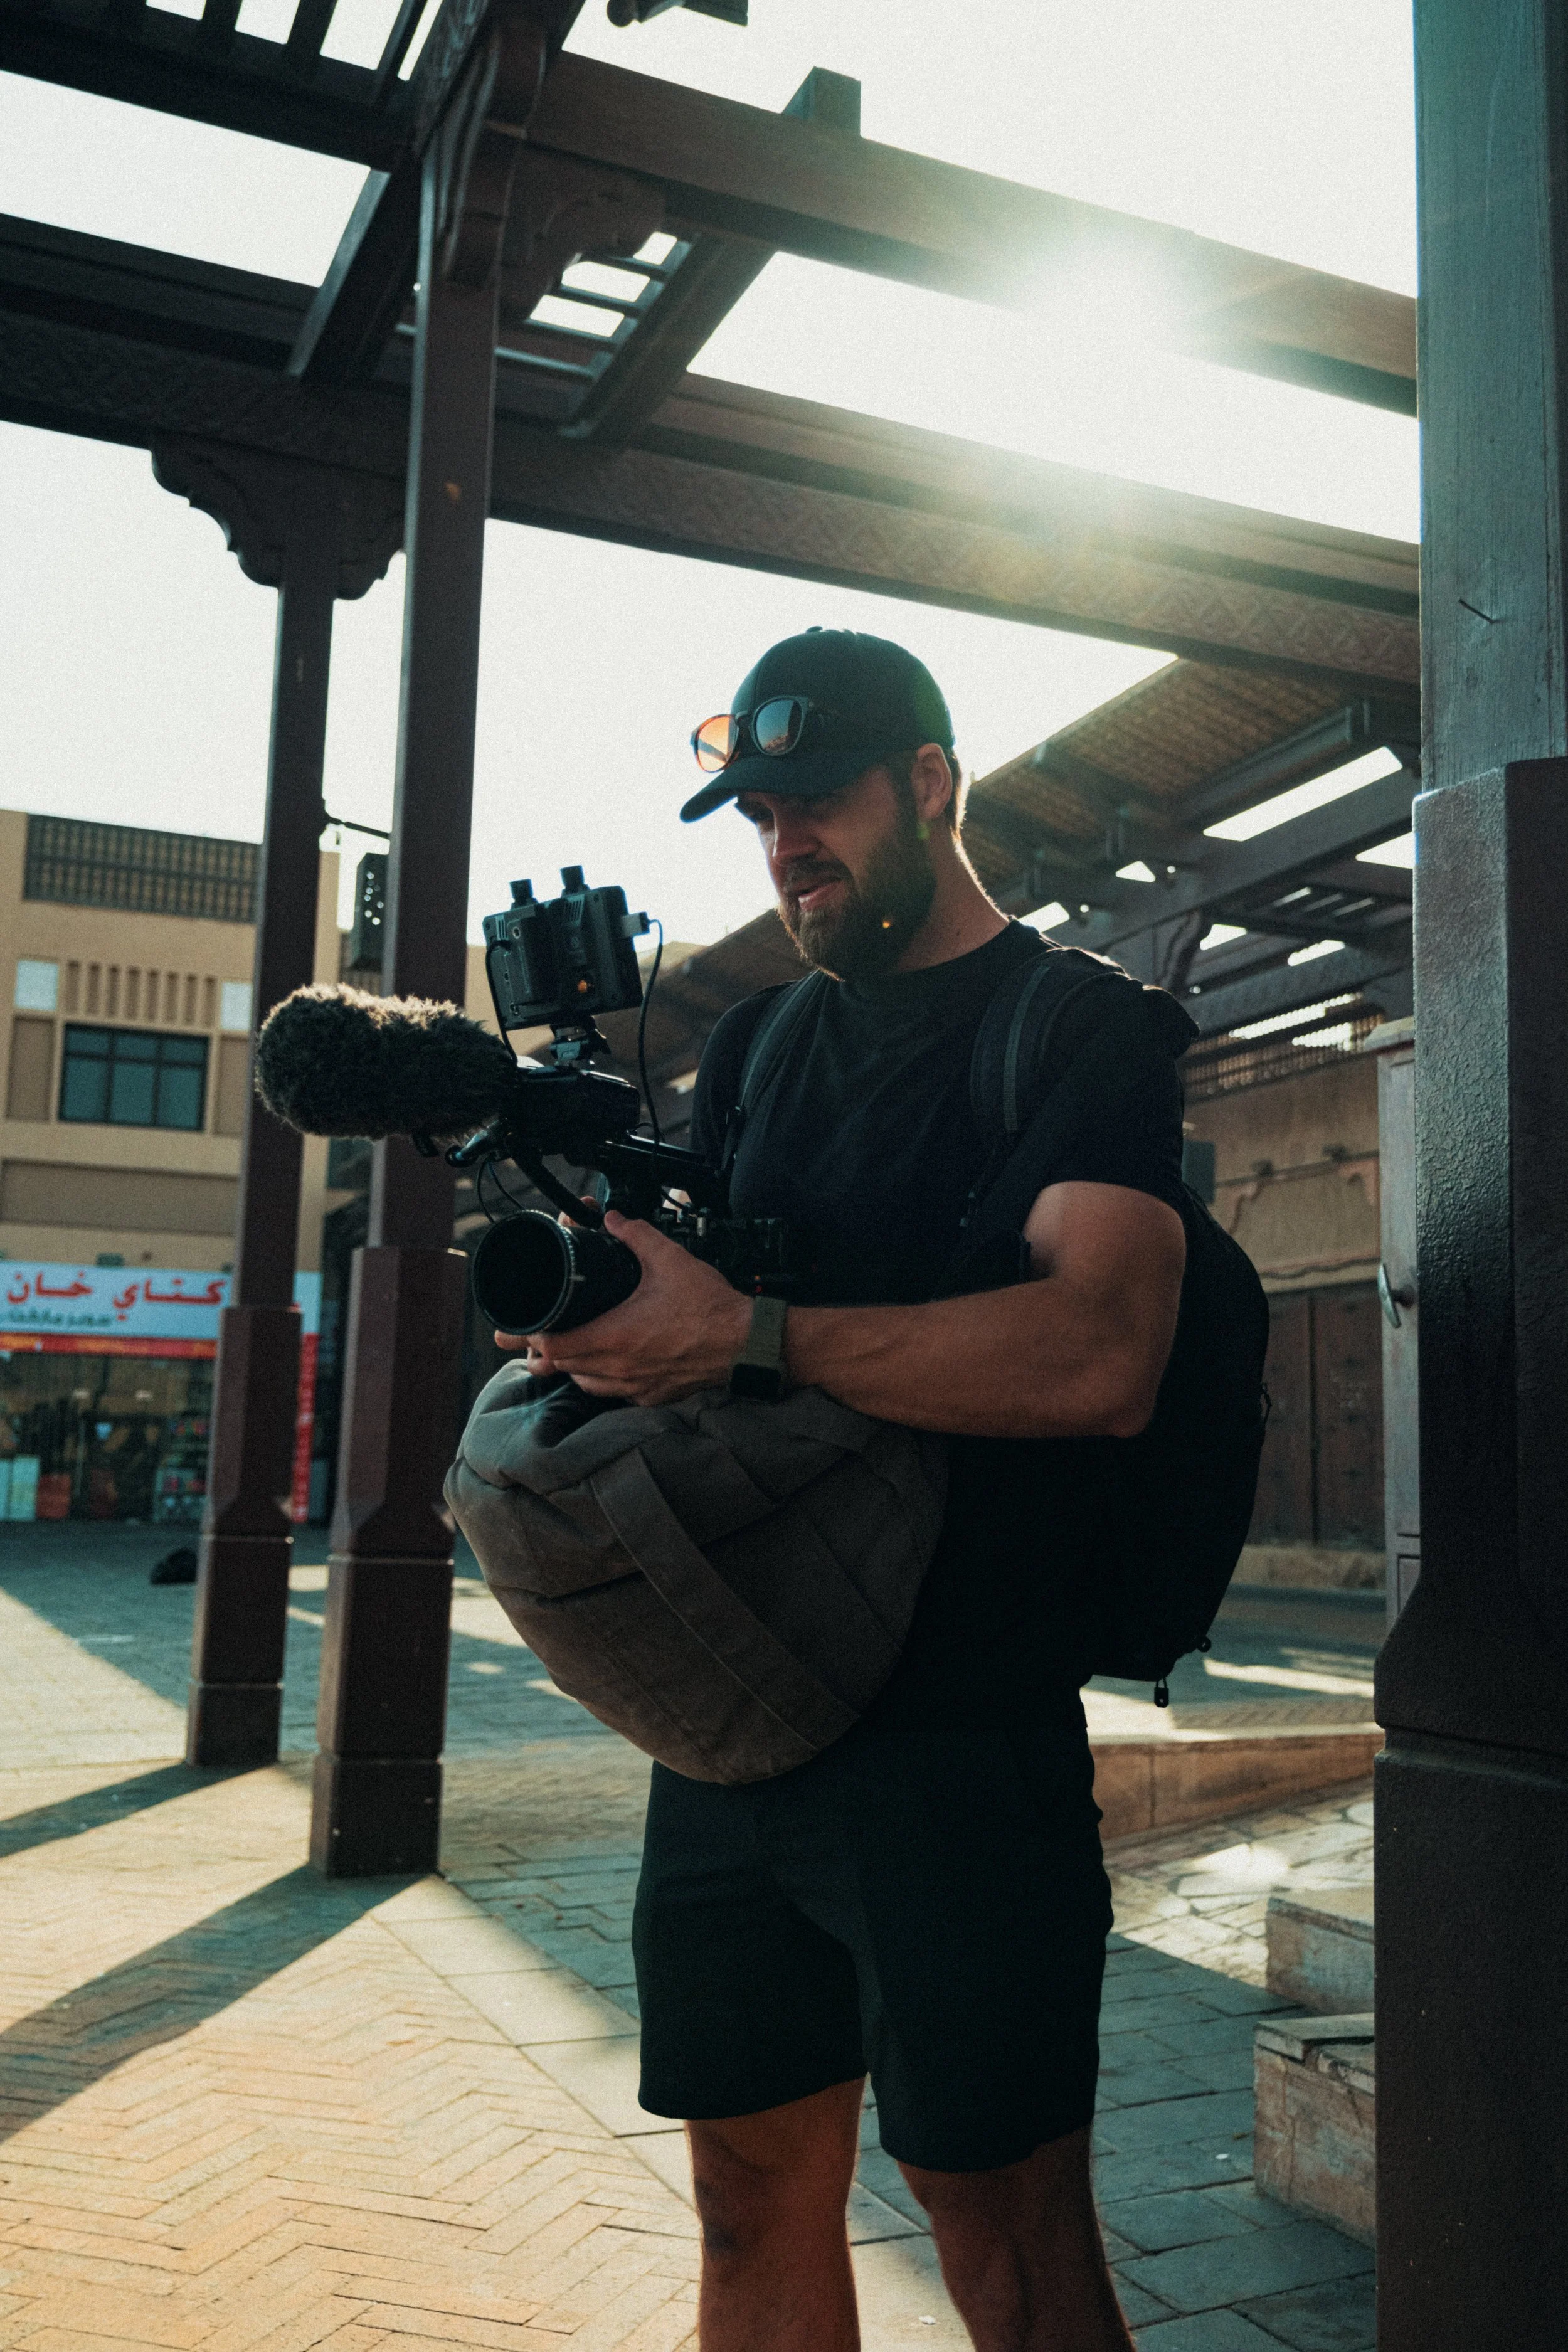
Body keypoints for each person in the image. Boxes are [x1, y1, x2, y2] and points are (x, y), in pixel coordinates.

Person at [503, 628, 1189, 2352]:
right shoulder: (750, 1055)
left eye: (817, 801)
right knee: (741, 2202)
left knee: (1005, 2241)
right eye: (757, 812)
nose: (783, 838)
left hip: (962, 1740)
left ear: (933, 785)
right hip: (735, 1729)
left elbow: (1098, 1352)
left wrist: (745, 1331)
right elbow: (707, 1358)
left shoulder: (1078, 1028)